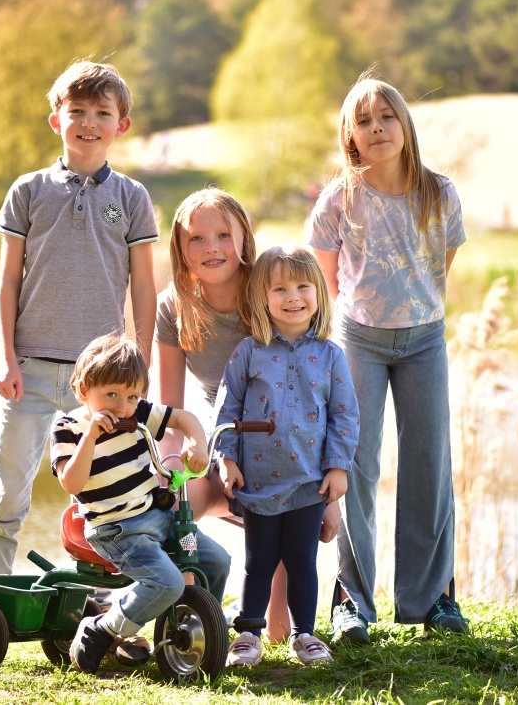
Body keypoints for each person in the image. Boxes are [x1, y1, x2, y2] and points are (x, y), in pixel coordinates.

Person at [0, 61, 158, 574]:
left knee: (110, 498)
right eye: (77, 111)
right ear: (57, 119)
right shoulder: (28, 191)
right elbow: (7, 282)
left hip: (103, 381)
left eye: (102, 112)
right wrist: (6, 359)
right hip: (29, 373)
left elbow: (144, 287)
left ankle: (102, 604)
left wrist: (139, 367)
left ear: (121, 125)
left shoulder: (133, 198)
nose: (89, 122)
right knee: (8, 494)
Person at [308, 72, 469, 643]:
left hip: (424, 340)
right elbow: (324, 284)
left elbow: (440, 264)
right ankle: (351, 600)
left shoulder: (439, 193)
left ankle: (434, 598)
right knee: (353, 463)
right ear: (350, 135)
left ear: (405, 124)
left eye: (386, 117)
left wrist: (413, 309)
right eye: (364, 121)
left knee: (429, 462)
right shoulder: (338, 200)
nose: (377, 128)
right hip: (359, 341)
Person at [152, 188, 341, 642]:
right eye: (196, 238)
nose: (211, 247)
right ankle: (185, 619)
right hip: (222, 452)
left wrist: (330, 496)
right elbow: (172, 414)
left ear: (244, 237)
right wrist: (170, 466)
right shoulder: (173, 306)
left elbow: (317, 397)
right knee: (169, 508)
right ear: (179, 246)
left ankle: (276, 626)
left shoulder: (271, 292)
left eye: (223, 234)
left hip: (286, 457)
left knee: (277, 630)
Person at [215, 245, 360, 667]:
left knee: (301, 561)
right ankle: (248, 635)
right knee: (258, 561)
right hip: (258, 480)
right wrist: (227, 459)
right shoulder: (249, 352)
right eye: (279, 289)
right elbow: (227, 410)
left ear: (318, 293)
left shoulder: (331, 355)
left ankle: (305, 636)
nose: (292, 297)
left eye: (302, 286)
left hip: (309, 482)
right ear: (262, 297)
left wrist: (338, 468)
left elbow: (345, 415)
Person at [52, 335, 230, 674]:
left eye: (132, 396)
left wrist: (197, 443)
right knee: (168, 583)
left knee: (217, 561)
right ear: (83, 389)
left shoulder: (137, 413)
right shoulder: (68, 428)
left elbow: (184, 418)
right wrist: (90, 437)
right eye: (111, 395)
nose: (122, 407)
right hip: (116, 529)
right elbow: (71, 483)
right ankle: (102, 628)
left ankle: (202, 630)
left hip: (158, 516)